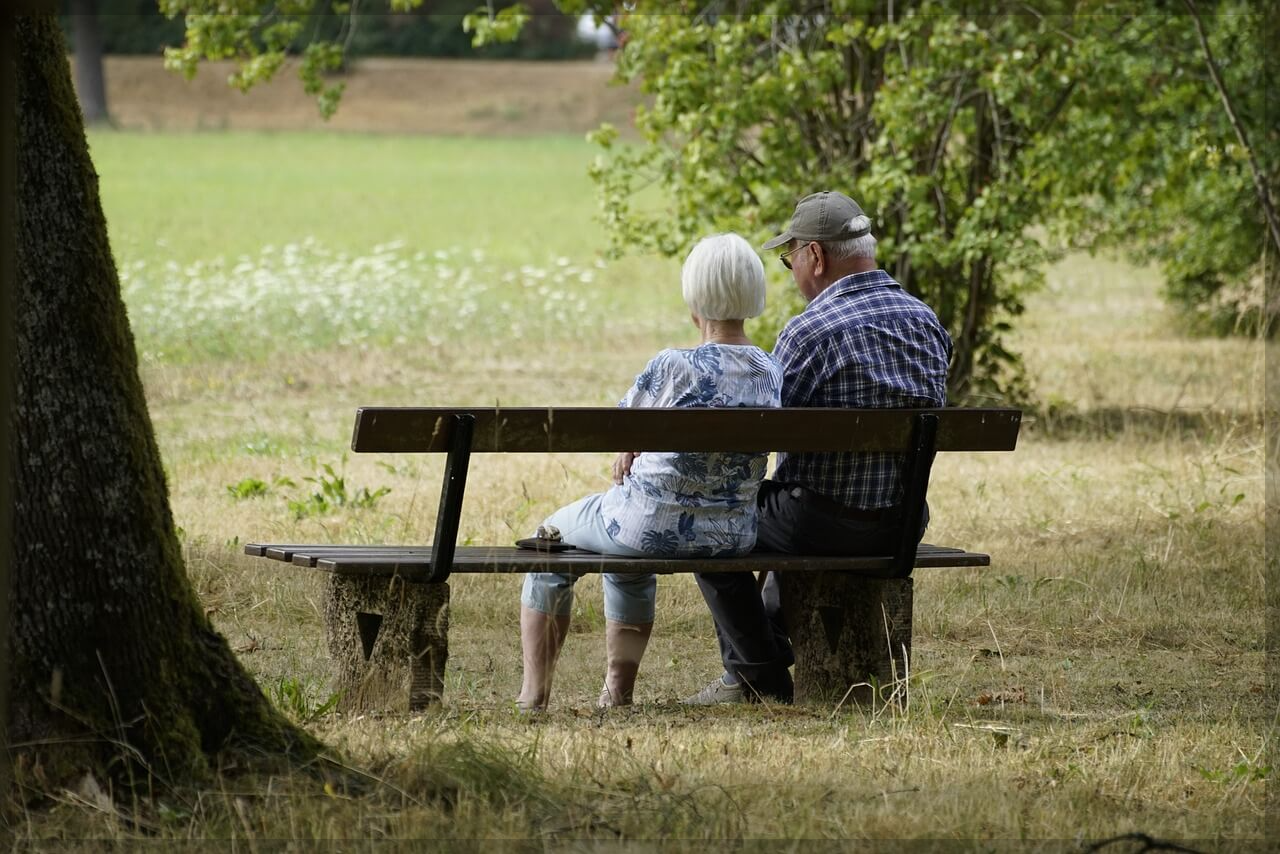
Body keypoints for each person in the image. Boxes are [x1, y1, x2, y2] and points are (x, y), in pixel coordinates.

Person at [683, 191, 953, 705]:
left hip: (821, 525)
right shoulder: (927, 323)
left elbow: (764, 435)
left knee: (708, 517)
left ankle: (758, 676)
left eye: (790, 261)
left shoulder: (809, 332)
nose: (792, 273)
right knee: (793, 502)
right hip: (901, 524)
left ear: (815, 256)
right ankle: (766, 653)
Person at [517, 232, 784, 711]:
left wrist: (631, 445)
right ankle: (616, 693)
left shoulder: (673, 366)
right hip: (730, 536)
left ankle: (533, 696)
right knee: (624, 551)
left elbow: (618, 429)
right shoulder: (771, 370)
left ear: (694, 299)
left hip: (646, 527)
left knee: (549, 540)